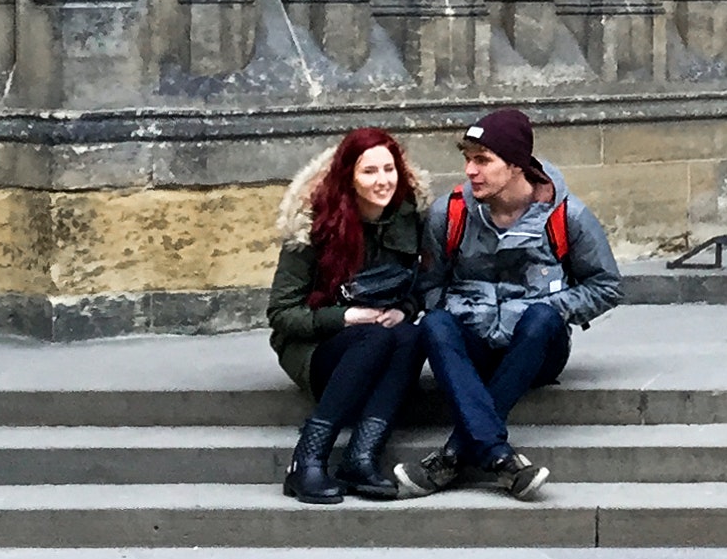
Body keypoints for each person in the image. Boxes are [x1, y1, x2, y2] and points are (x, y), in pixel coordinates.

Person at [410, 107, 622, 499]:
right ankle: (497, 456)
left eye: (483, 160)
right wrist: (457, 311)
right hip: (473, 344)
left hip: (536, 349)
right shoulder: (450, 213)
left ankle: (456, 451)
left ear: (516, 165)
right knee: (434, 325)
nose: (471, 171)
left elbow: (607, 285)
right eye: (468, 160)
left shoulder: (567, 215)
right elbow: (428, 285)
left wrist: (557, 307)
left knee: (542, 317)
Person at [265, 126, 434, 505]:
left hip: (382, 338)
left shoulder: (412, 218)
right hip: (317, 349)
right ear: (349, 176)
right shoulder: (312, 224)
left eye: (389, 169)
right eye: (369, 171)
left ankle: (361, 457)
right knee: (374, 337)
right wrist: (346, 317)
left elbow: (425, 283)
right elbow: (281, 313)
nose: (382, 181)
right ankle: (306, 460)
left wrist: (403, 310)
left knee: (410, 335)